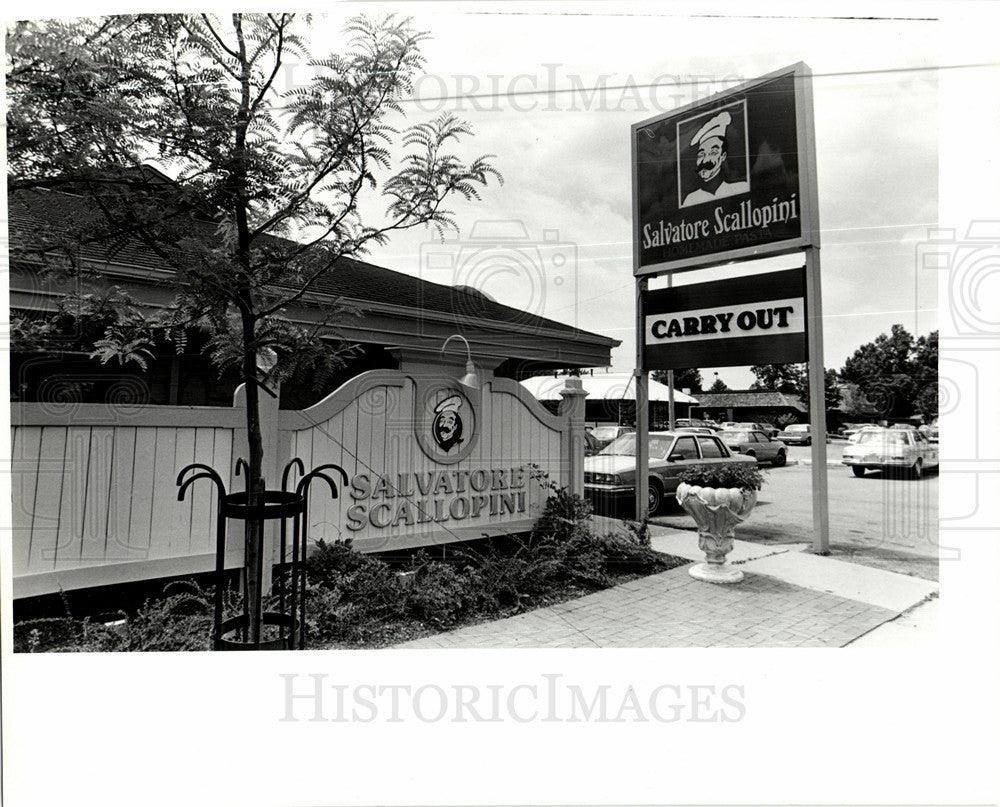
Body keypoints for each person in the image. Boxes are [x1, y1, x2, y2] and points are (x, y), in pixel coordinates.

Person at [681, 110, 750, 207]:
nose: (705, 160)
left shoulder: (740, 187)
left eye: (713, 153)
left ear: (723, 156)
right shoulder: (690, 199)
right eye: (701, 154)